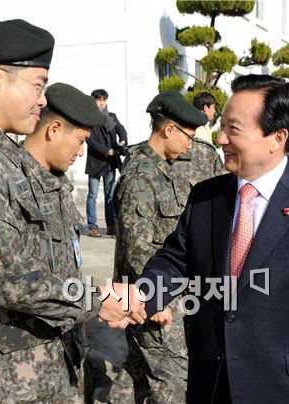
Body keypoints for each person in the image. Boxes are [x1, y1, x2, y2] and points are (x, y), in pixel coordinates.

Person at [0, 20, 143, 402]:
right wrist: (99, 298)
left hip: (24, 380)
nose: (43, 100)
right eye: (37, 84)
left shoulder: (0, 156)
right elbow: (14, 279)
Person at [137, 74, 289, 403]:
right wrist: (140, 297)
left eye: (233, 128)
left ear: (276, 137)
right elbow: (174, 259)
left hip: (284, 389)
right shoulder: (206, 197)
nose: (220, 137)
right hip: (212, 384)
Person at [109, 91, 207, 403]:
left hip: (161, 297)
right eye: (188, 137)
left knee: (143, 383)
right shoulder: (141, 174)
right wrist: (155, 301)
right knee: (172, 388)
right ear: (168, 130)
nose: (190, 144)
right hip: (153, 304)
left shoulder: (161, 169)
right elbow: (136, 248)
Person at [85, 89, 128, 237]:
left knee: (110, 196)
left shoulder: (112, 117)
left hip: (110, 162)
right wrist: (106, 151)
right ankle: (92, 226)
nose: (101, 103)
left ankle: (111, 226)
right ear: (93, 101)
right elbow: (90, 141)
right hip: (96, 161)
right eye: (98, 100)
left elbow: (121, 129)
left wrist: (122, 140)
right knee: (92, 195)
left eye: (104, 100)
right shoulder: (89, 118)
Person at [171, 91, 224, 207]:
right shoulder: (199, 129)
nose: (215, 112)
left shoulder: (203, 127)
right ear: (205, 108)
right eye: (213, 108)